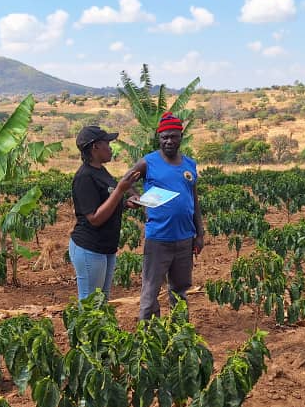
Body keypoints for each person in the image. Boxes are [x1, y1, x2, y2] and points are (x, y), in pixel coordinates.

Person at [129, 112, 204, 320]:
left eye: (173, 136)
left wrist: (200, 233)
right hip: (158, 238)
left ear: (180, 136)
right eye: (164, 137)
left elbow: (194, 200)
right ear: (159, 139)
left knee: (180, 289)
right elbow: (125, 182)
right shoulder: (148, 162)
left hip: (184, 238)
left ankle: (180, 329)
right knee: (151, 290)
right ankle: (149, 333)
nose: (169, 141)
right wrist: (137, 199)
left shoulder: (190, 165)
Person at [69, 125, 142, 300]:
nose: (110, 148)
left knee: (102, 300)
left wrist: (126, 203)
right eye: (107, 143)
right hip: (90, 247)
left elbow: (106, 201)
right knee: (90, 303)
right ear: (95, 147)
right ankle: (83, 329)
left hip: (106, 247)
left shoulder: (100, 170)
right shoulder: (84, 177)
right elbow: (94, 218)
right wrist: (120, 190)